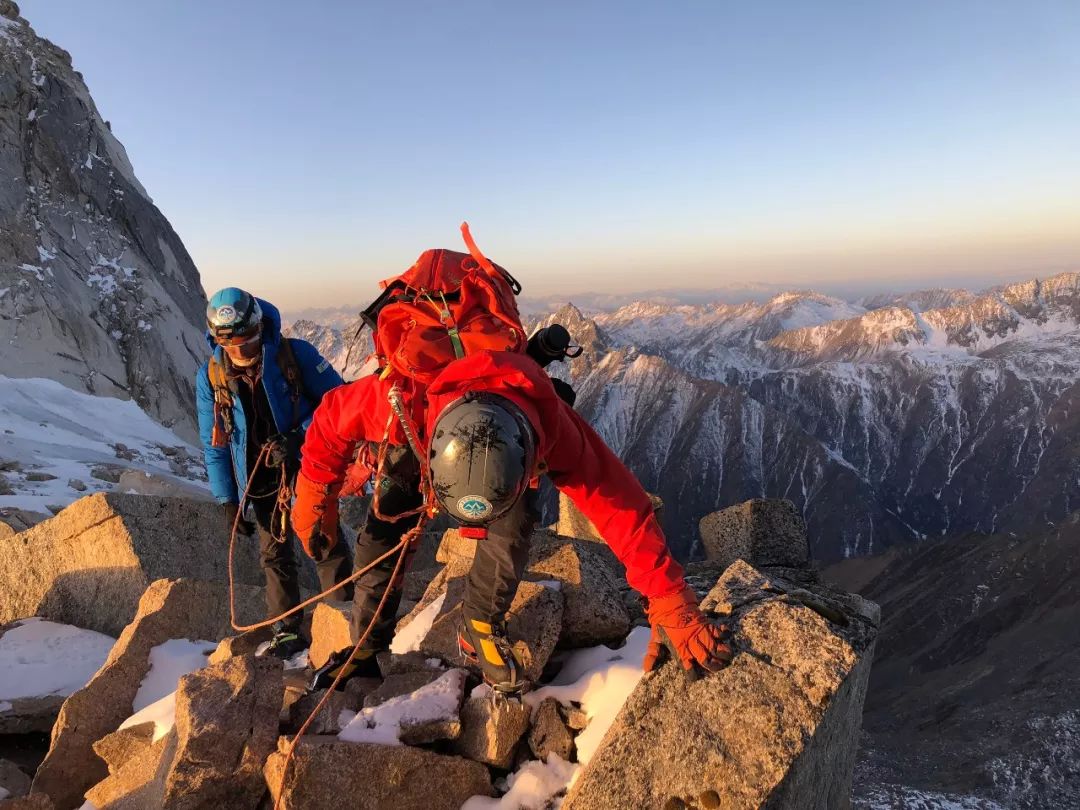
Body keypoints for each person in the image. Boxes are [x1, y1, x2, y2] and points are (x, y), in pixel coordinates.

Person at [292, 229, 732, 692]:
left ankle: (478, 623)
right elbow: (326, 428)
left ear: (530, 449)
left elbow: (617, 501)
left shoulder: (547, 422)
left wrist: (670, 599)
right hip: (419, 432)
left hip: (480, 444)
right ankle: (366, 644)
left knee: (512, 523)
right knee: (382, 536)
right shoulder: (397, 400)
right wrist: (313, 504)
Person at [196, 287, 354, 658]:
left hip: (308, 463)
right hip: (259, 474)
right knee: (273, 551)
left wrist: (298, 438)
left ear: (258, 326)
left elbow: (341, 403)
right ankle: (287, 630)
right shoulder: (212, 377)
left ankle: (345, 615)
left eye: (249, 343)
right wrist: (227, 501)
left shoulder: (293, 354)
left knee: (322, 538)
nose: (243, 354)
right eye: (234, 347)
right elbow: (214, 442)